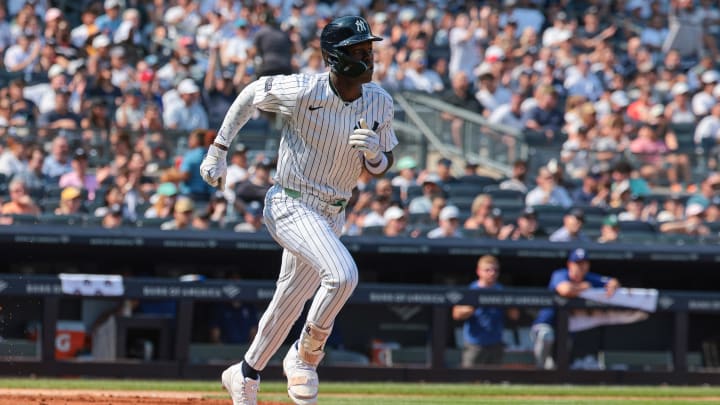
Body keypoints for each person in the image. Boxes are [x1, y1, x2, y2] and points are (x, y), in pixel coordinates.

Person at [199, 16, 397, 405]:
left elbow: (382, 164)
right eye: (357, 51)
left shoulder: (380, 101)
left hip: (333, 212)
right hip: (291, 201)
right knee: (342, 276)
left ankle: (245, 374)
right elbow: (251, 93)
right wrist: (218, 149)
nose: (367, 57)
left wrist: (375, 153)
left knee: (288, 302)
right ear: (334, 57)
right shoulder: (304, 89)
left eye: (369, 50)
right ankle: (306, 356)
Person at [531, 248, 620, 370]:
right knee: (546, 335)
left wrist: (613, 285)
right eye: (577, 264)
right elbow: (565, 290)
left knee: (557, 364)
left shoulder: (589, 277)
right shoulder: (560, 274)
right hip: (545, 325)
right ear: (570, 264)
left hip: (565, 329)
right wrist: (584, 287)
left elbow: (612, 282)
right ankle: (538, 371)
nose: (581, 267)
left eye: (584, 263)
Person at [452, 255, 517, 367]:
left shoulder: (501, 290)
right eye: (487, 270)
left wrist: (510, 305)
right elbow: (456, 314)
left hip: (496, 343)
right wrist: (472, 307)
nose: (492, 273)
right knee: (469, 380)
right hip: (474, 344)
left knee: (494, 380)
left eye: (495, 270)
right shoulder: (472, 290)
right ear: (478, 271)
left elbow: (514, 316)